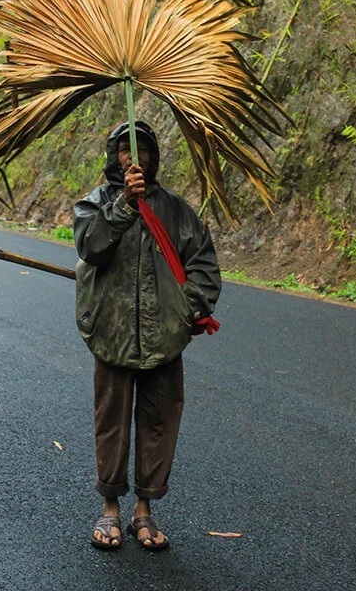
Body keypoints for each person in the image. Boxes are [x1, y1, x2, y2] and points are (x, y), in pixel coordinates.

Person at [73, 121, 221, 550]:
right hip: (112, 335)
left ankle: (144, 510)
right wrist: (123, 204)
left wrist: (184, 310)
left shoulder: (176, 210)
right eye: (125, 148)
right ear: (113, 155)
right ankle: (110, 509)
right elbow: (90, 247)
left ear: (154, 156)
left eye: (142, 148)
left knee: (159, 422)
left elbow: (204, 266)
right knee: (111, 422)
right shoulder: (94, 204)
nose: (133, 156)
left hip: (163, 338)